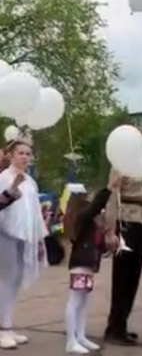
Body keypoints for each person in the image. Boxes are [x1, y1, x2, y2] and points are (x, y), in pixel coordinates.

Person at [64, 173, 120, 354]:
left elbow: (98, 242)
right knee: (75, 301)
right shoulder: (81, 217)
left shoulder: (87, 221)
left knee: (82, 302)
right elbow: (96, 207)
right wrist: (109, 188)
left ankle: (80, 336)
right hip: (81, 264)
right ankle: (71, 340)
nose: (90, 199)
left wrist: (109, 245)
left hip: (88, 264)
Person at [0, 140, 48, 349]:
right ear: (11, 155)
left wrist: (38, 238)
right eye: (20, 153)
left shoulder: (30, 181)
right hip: (5, 235)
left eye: (28, 154)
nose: (25, 157)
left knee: (16, 280)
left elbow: (35, 212)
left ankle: (8, 324)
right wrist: (12, 188)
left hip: (24, 238)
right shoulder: (3, 178)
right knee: (6, 280)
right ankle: (4, 329)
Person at [104, 173, 142, 346]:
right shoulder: (121, 162)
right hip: (125, 221)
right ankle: (114, 328)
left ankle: (121, 324)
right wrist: (110, 230)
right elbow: (112, 197)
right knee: (122, 278)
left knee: (133, 277)